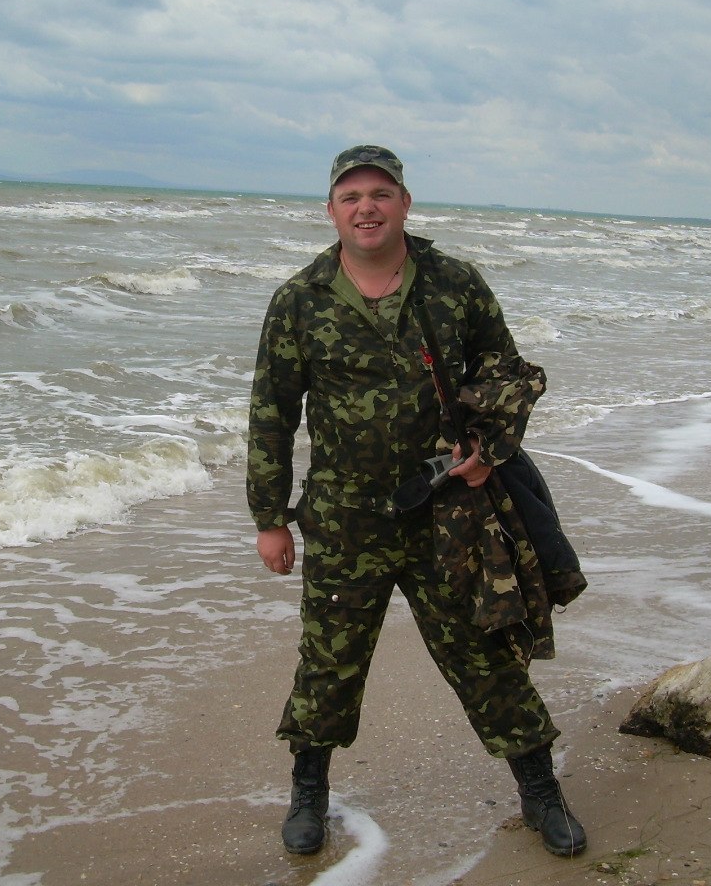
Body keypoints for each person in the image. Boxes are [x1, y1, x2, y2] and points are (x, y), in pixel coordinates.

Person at [246, 144, 586, 858]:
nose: (366, 208)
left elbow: (508, 373)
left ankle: (540, 791)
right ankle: (308, 794)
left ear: (404, 203)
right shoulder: (299, 299)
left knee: (484, 655)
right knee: (329, 662)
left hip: (448, 514)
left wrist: (486, 451)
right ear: (331, 211)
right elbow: (272, 414)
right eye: (351, 197)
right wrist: (269, 519)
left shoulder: (454, 284)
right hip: (344, 520)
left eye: (380, 194)